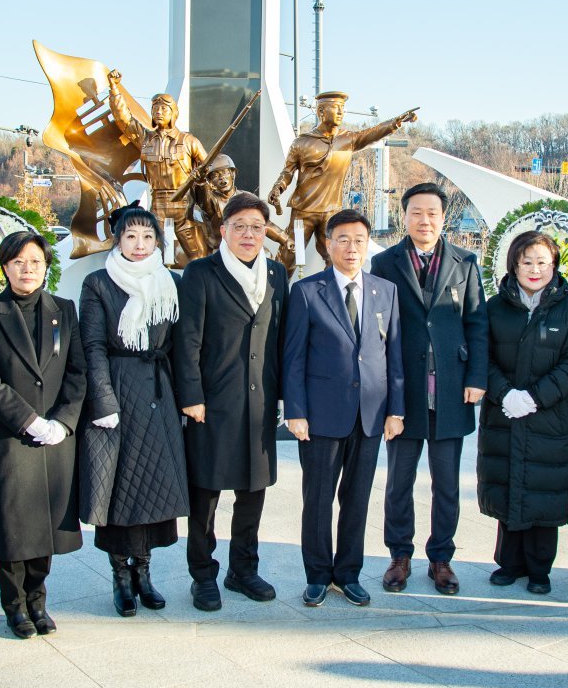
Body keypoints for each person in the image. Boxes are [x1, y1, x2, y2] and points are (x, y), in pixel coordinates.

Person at [282, 208, 404, 607]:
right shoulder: (306, 291)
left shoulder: (384, 291)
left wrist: (395, 410)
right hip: (320, 417)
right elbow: (294, 357)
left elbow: (393, 355)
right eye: (343, 240)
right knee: (317, 499)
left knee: (357, 499)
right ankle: (317, 575)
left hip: (370, 415)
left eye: (359, 241)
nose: (352, 248)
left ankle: (348, 573)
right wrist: (295, 411)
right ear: (328, 244)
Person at [0, 231, 87, 638]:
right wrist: (28, 420)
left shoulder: (64, 311)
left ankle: (38, 600)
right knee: (12, 526)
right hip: (10, 437)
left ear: (45, 266)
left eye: (35, 261)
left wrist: (64, 421)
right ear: (5, 266)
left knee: (46, 525)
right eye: (18, 261)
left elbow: (78, 372)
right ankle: (14, 606)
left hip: (55, 438)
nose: (28, 269)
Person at [369, 182, 487, 595]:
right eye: (416, 212)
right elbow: (376, 328)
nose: (424, 220)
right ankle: (399, 555)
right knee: (398, 480)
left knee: (447, 483)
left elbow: (477, 322)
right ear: (404, 216)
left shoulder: (465, 262)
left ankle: (441, 558)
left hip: (451, 390)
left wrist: (476, 378)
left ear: (443, 217)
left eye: (432, 213)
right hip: (402, 392)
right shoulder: (384, 263)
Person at [175, 191, 289, 611]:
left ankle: (243, 569)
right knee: (205, 494)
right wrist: (191, 396)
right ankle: (202, 574)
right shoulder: (201, 273)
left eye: (257, 227)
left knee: (252, 491)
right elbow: (187, 340)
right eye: (239, 226)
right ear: (223, 230)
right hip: (213, 404)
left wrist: (285, 398)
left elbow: (282, 342)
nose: (248, 234)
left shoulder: (276, 274)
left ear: (266, 234)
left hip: (260, 404)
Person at [79, 204, 189, 617]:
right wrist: (103, 400)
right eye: (130, 237)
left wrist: (185, 399)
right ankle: (120, 575)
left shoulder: (170, 282)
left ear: (158, 241)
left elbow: (179, 346)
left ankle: (145, 572)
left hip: (159, 394)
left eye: (147, 237)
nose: (139, 245)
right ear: (117, 240)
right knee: (120, 488)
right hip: (119, 393)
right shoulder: (99, 283)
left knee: (154, 488)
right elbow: (92, 346)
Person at [478, 231, 568, 594]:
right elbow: (483, 356)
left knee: (545, 487)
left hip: (550, 415)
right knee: (509, 480)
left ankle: (540, 568)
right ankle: (509, 563)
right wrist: (505, 394)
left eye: (542, 262)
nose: (534, 269)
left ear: (555, 266)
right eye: (526, 261)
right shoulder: (496, 307)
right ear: (513, 264)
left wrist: (535, 397)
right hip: (504, 413)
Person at [267, 91, 417, 270]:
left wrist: (396, 122)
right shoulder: (302, 142)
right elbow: (287, 172)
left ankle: (331, 295)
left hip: (331, 212)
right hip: (303, 211)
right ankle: (275, 295)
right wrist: (278, 187)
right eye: (336, 108)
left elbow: (374, 133)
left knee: (334, 258)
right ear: (321, 111)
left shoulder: (349, 140)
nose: (341, 112)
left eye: (342, 109)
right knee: (289, 255)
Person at [105, 72, 209, 262]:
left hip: (183, 201)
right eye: (155, 109)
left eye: (163, 109)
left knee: (197, 253)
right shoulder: (145, 139)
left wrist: (201, 178)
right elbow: (124, 119)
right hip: (158, 201)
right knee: (150, 251)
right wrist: (114, 89)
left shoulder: (188, 141)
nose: (158, 112)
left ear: (173, 114)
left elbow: (209, 168)